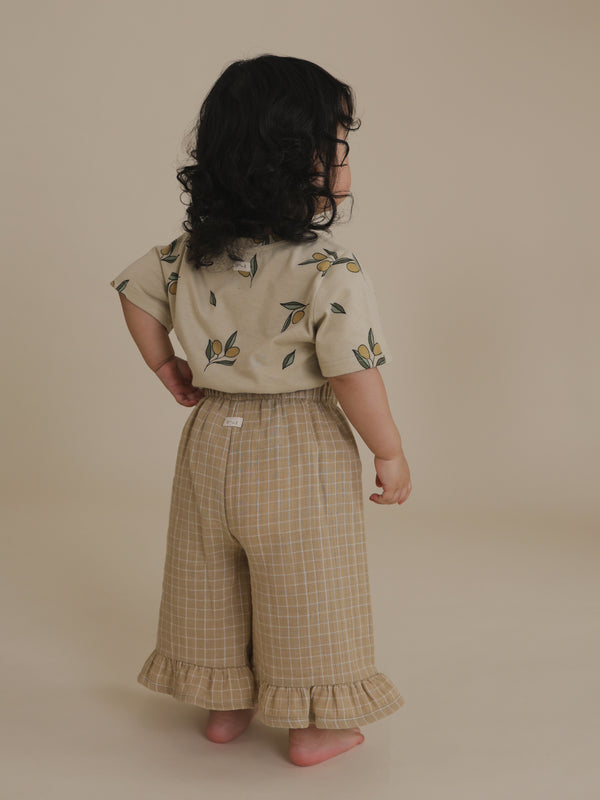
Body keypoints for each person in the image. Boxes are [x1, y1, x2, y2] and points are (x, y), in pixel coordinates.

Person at [109, 54, 412, 767]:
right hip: (296, 441)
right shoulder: (328, 268)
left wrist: (165, 363)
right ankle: (314, 726)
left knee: (210, 573)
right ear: (298, 160)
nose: (345, 156)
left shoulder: (192, 253)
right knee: (307, 581)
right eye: (337, 142)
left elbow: (131, 288)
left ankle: (225, 707)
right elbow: (350, 371)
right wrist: (388, 450)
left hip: (211, 436)